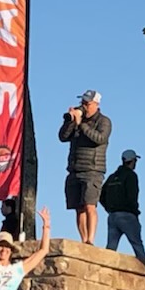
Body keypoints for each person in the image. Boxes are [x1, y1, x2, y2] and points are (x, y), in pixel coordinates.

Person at [58, 89, 112, 245]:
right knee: (78, 207)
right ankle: (83, 239)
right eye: (82, 103)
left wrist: (81, 124)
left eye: (87, 104)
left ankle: (91, 239)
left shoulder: (104, 121)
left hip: (92, 170)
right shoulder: (78, 121)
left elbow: (99, 139)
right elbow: (62, 137)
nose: (84, 106)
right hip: (75, 169)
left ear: (96, 104)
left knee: (90, 205)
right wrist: (70, 122)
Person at [100, 149, 145, 260]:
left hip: (113, 216)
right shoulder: (131, 175)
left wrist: (109, 208)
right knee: (137, 245)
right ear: (132, 161)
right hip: (128, 215)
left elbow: (101, 195)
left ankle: (106, 266)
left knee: (111, 248)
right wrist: (134, 211)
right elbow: (132, 196)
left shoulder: (112, 177)